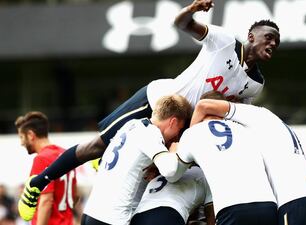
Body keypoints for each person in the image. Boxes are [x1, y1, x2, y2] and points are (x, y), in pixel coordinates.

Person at [18, 0, 280, 220]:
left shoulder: (255, 84)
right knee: (96, 147)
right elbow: (181, 24)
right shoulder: (224, 42)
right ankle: (38, 182)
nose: (272, 44)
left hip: (182, 126)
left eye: (276, 42)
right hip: (158, 101)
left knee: (164, 176)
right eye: (268, 37)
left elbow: (234, 115)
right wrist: (192, 9)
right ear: (250, 37)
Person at [189, 99, 306, 225]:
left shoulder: (255, 115)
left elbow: (203, 106)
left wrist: (189, 141)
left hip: (293, 204)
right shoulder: (275, 125)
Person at [80, 94, 192, 225]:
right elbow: (170, 172)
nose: (176, 135)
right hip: (112, 219)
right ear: (173, 122)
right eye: (179, 129)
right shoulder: (151, 134)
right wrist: (175, 151)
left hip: (90, 212)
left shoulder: (131, 125)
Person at [15, 111, 77, 225]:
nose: (21, 143)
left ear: (30, 135)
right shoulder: (66, 154)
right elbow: (75, 196)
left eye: (21, 137)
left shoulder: (41, 158)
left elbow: (46, 201)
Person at [130, 166, 214, 225]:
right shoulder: (204, 175)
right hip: (168, 214)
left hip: (138, 216)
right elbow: (211, 217)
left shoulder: (162, 172)